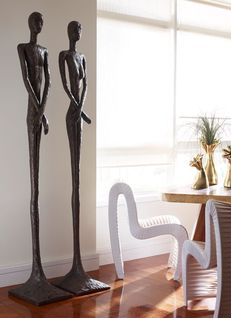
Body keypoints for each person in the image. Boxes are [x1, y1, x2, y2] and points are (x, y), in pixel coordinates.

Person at [9, 12, 71, 305]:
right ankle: (35, 271)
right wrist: (39, 112)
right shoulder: (24, 48)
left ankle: (40, 272)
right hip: (31, 114)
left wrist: (44, 111)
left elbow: (47, 81)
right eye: (36, 22)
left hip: (40, 111)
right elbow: (27, 80)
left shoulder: (45, 52)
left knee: (38, 187)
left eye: (42, 23)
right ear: (29, 25)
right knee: (34, 188)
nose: (40, 26)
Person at [55, 21, 109, 295]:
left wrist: (83, 106)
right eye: (75, 29)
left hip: (79, 113)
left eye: (80, 30)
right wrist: (78, 108)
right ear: (69, 33)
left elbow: (84, 83)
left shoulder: (83, 57)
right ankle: (75, 267)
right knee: (74, 178)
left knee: (79, 180)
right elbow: (64, 83)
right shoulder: (64, 56)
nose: (78, 33)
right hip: (71, 115)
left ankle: (80, 266)